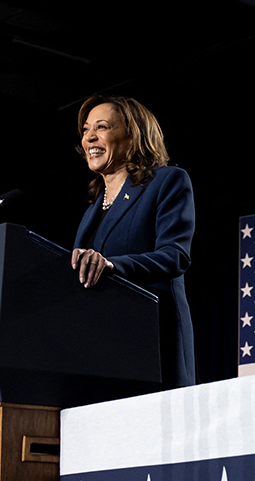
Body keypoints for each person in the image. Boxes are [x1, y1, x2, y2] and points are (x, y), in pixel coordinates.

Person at [71, 95, 196, 388]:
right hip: (101, 350)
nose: (90, 137)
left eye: (101, 127)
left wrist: (112, 265)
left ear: (133, 136)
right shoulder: (92, 210)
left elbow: (175, 255)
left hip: (152, 339)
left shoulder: (167, 182)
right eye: (86, 130)